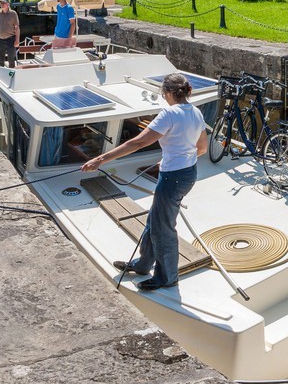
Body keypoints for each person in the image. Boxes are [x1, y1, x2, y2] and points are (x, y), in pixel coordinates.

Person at [82, 74, 208, 291]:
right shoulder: (195, 112)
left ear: (167, 93)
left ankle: (167, 277)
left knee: (163, 229)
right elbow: (202, 148)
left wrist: (101, 159)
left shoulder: (169, 113)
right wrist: (178, 156)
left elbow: (138, 143)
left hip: (173, 177)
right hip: (188, 173)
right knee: (154, 221)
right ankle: (142, 265)